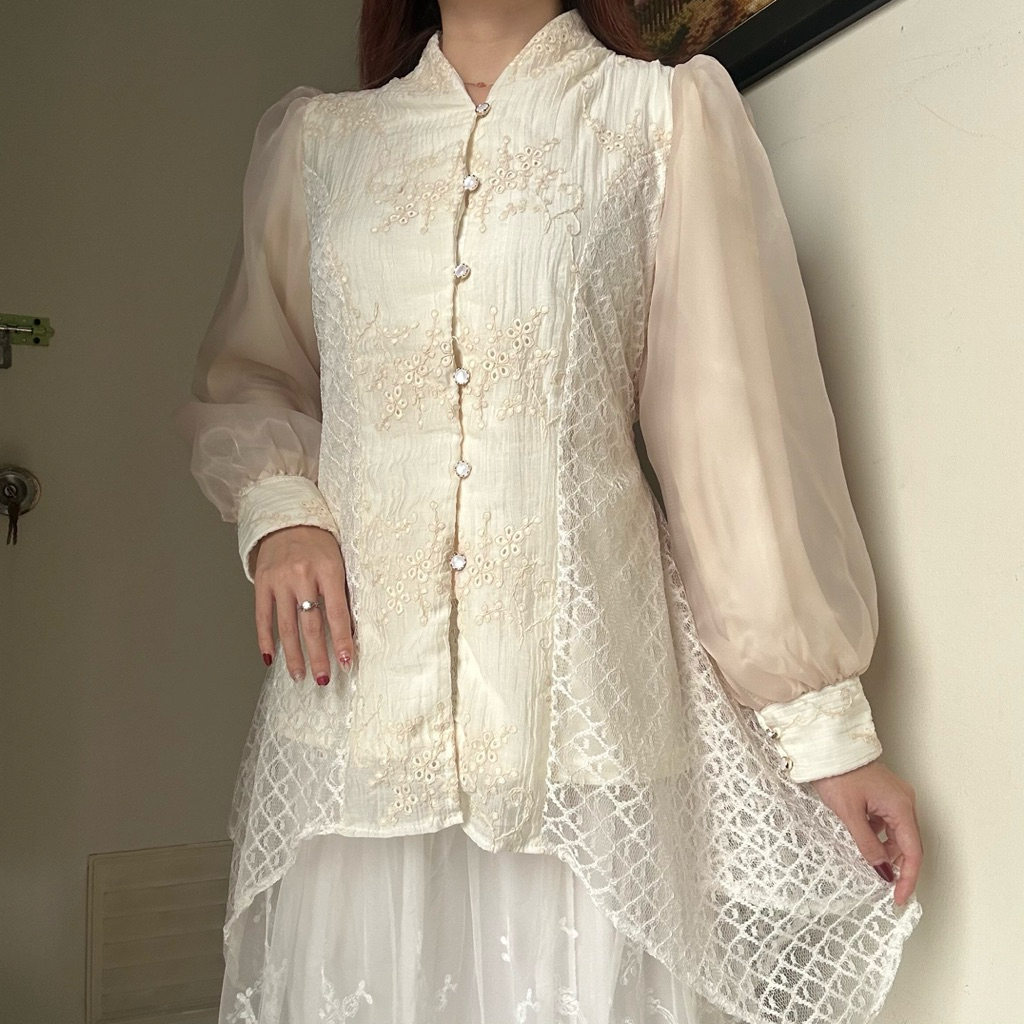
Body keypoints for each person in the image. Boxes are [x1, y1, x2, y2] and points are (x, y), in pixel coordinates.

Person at [174, 2, 925, 1021]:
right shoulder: (322, 144)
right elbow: (255, 374)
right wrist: (280, 511)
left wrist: (829, 734)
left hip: (584, 728)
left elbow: (732, 442)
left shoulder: (661, 119)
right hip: (358, 730)